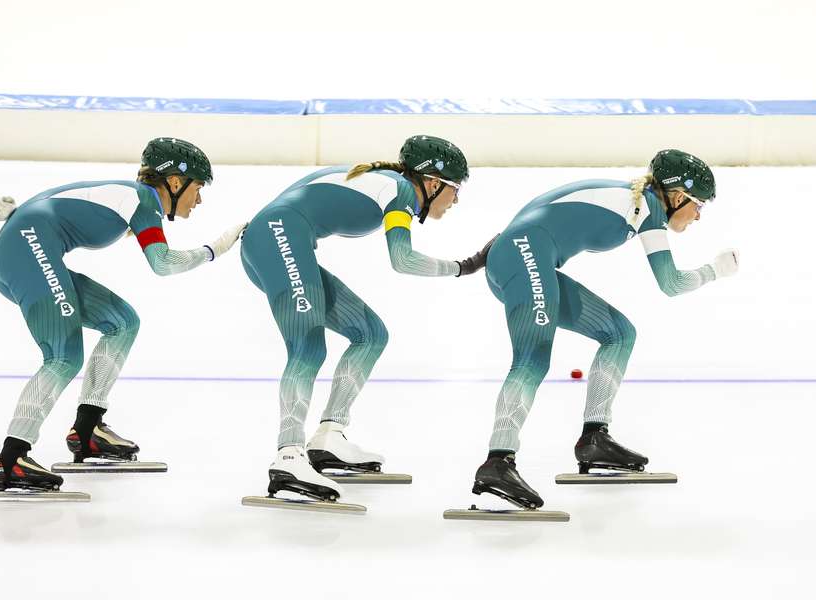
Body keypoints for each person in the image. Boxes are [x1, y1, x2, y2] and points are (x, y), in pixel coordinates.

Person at [470, 149, 739, 509]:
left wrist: (501, 251)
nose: (698, 216)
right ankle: (497, 461)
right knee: (532, 359)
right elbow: (671, 283)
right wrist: (716, 270)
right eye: (698, 205)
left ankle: (594, 437)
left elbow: (543, 207)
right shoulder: (645, 208)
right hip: (522, 256)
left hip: (519, 254)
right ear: (677, 196)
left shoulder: (630, 196)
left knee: (619, 334)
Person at [0, 137, 246, 493]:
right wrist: (215, 249)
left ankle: (88, 429)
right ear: (174, 182)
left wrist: (13, 215)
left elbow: (58, 202)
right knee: (63, 356)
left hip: (21, 247)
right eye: (198, 188)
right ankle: (12, 458)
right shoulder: (142, 201)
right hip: (24, 250)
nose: (198, 200)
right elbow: (163, 264)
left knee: (122, 322)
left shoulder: (130, 198)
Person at [240, 135, 487, 502]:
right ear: (433, 183)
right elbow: (402, 259)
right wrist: (464, 267)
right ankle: (289, 455)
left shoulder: (388, 183)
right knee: (307, 347)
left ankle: (329, 437)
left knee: (370, 333)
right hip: (276, 239)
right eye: (455, 189)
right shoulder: (401, 191)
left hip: (272, 239)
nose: (456, 200)